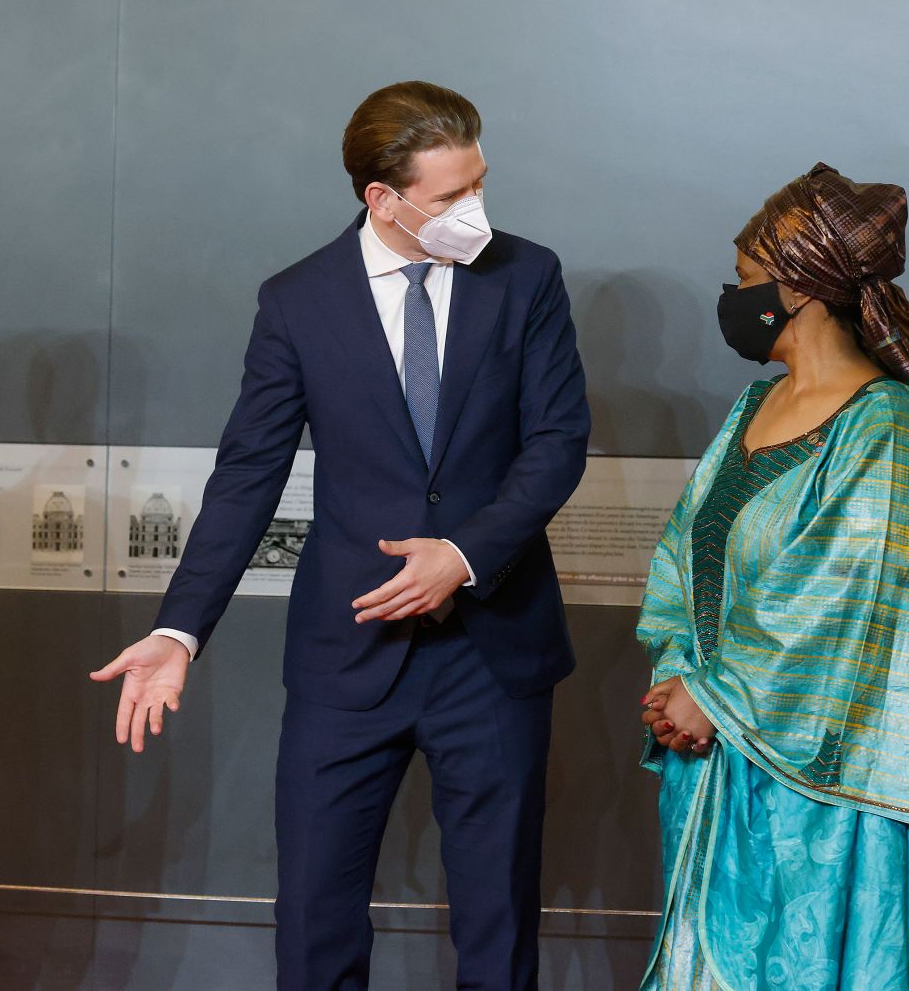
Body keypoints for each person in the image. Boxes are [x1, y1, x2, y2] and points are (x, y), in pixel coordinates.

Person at [91, 81, 590, 990]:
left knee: (499, 922)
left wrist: (466, 554)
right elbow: (248, 473)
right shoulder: (297, 301)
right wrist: (178, 629)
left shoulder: (527, 276)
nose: (475, 210)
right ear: (382, 200)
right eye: (450, 198)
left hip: (495, 652)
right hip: (347, 654)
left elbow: (558, 443)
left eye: (480, 184)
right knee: (316, 925)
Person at [636, 163, 909, 989]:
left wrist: (714, 696)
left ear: (803, 289)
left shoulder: (883, 425)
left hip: (822, 790)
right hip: (714, 767)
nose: (735, 296)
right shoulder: (747, 411)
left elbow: (840, 599)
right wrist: (680, 672)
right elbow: (685, 554)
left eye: (749, 280)